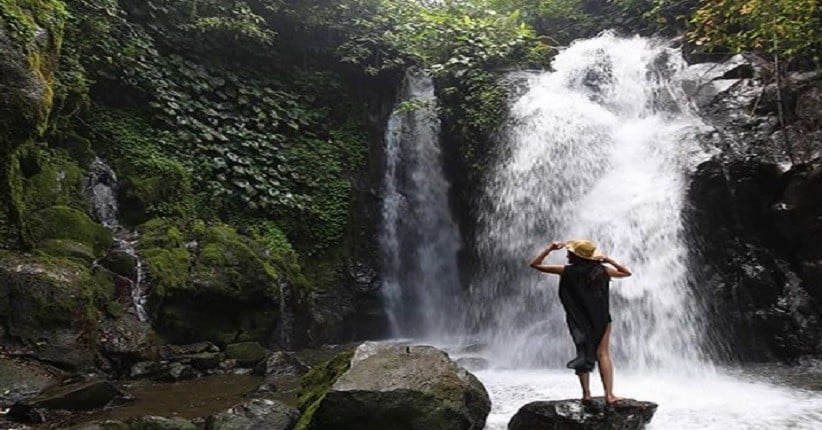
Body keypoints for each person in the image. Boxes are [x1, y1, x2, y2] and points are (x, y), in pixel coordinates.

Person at [528, 239, 632, 404]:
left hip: (579, 320)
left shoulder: (565, 271)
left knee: (582, 353)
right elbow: (626, 273)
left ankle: (586, 394)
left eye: (570, 251)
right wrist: (609, 260)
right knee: (603, 354)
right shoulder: (603, 271)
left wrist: (550, 249)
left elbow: (535, 264)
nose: (567, 253)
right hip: (601, 318)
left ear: (574, 255)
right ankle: (610, 395)